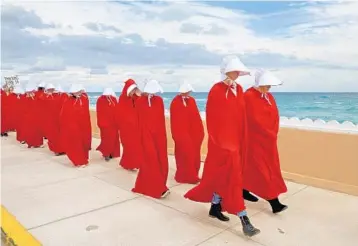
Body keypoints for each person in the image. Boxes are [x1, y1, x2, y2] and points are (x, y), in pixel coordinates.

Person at [184, 56, 260, 237]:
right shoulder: (216, 90)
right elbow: (212, 118)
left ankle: (215, 207)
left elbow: (241, 116)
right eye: (234, 71)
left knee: (224, 175)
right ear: (226, 71)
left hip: (236, 141)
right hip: (222, 144)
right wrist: (222, 142)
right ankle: (244, 219)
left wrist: (242, 139)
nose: (237, 74)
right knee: (233, 178)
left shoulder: (239, 89)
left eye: (238, 71)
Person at [243, 69, 288, 213]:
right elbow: (254, 119)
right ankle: (273, 201)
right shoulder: (249, 96)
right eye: (267, 85)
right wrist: (267, 131)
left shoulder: (268, 96)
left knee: (259, 168)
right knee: (262, 169)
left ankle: (242, 189)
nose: (269, 88)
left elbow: (275, 115)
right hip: (254, 140)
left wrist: (272, 132)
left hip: (268, 140)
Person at [132, 79, 170, 199]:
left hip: (158, 135)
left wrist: (161, 136)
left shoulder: (159, 100)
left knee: (160, 160)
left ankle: (149, 186)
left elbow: (160, 120)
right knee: (150, 160)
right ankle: (156, 188)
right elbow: (139, 120)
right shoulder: (140, 102)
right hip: (145, 134)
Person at [170, 82, 204, 184]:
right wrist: (180, 135)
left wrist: (199, 132)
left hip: (192, 133)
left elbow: (195, 116)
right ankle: (184, 176)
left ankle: (192, 175)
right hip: (181, 132)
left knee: (193, 154)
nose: (189, 93)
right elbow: (176, 120)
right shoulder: (175, 102)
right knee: (184, 154)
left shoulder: (191, 100)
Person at [59, 84, 91, 167]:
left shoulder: (84, 98)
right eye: (78, 91)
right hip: (73, 126)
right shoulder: (68, 101)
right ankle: (78, 161)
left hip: (83, 125)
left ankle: (83, 159)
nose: (80, 92)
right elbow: (65, 115)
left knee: (83, 143)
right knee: (75, 144)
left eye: (80, 91)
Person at [116, 79, 143, 170]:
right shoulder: (122, 99)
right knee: (129, 146)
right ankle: (130, 164)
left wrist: (140, 94)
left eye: (134, 90)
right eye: (132, 90)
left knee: (136, 146)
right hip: (126, 128)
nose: (133, 92)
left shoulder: (136, 98)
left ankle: (131, 163)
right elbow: (120, 113)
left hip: (136, 127)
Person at [96, 87, 121, 161]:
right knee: (106, 139)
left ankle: (113, 153)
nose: (108, 95)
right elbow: (99, 112)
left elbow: (117, 110)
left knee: (114, 139)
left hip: (114, 123)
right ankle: (106, 153)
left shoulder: (113, 99)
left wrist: (118, 121)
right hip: (105, 124)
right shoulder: (100, 100)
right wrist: (101, 123)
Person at [43, 83, 64, 156]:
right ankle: (56, 150)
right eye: (49, 89)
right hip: (49, 120)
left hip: (58, 119)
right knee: (53, 136)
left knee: (60, 135)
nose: (51, 90)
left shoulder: (57, 96)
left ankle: (62, 149)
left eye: (52, 89)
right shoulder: (44, 97)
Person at [22, 84, 44, 148]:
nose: (30, 92)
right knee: (31, 130)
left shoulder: (37, 95)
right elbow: (24, 107)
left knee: (38, 130)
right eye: (29, 91)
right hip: (29, 116)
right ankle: (31, 143)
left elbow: (40, 104)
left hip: (37, 115)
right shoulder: (26, 97)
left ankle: (38, 143)